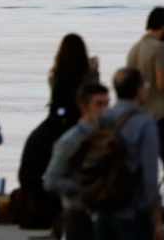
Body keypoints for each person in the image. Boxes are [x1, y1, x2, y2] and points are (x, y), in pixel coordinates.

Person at [126, 5, 164, 235]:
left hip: (138, 118)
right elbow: (163, 83)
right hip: (161, 117)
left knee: (143, 171)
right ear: (163, 27)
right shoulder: (160, 48)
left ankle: (141, 218)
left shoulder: (134, 49)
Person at [95, 67, 163, 240]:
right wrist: (156, 218)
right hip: (133, 210)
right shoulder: (145, 123)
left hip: (102, 205)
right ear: (139, 90)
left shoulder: (102, 118)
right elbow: (150, 175)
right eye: (145, 86)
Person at [42, 82, 111, 240]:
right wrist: (84, 188)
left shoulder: (112, 136)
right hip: (78, 214)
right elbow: (50, 180)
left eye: (107, 104)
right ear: (84, 107)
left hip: (106, 215)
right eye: (99, 104)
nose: (105, 110)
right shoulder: (70, 140)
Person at [50, 33, 100, 123]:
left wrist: (62, 115)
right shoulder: (89, 74)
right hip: (86, 118)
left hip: (63, 118)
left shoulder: (57, 76)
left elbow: (57, 107)